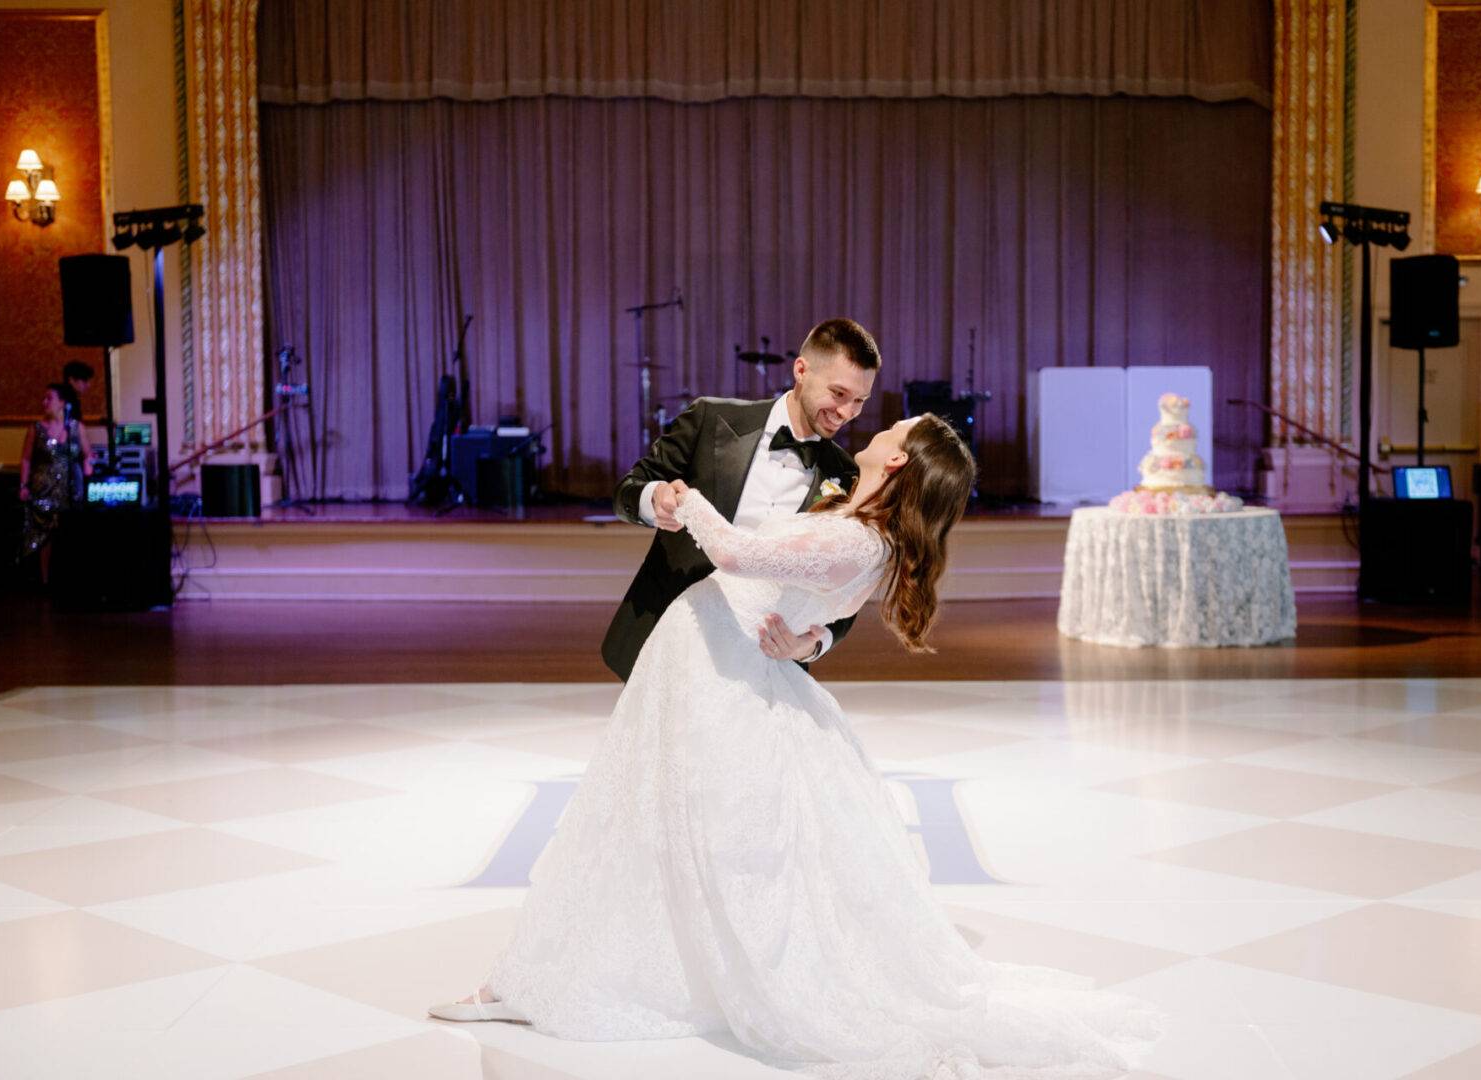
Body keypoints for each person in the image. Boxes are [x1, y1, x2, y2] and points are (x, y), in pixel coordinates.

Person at [430, 414, 1166, 1078]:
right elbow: (813, 601)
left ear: (901, 461)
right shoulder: (856, 517)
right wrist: (809, 636)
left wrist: (683, 501)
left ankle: (580, 978)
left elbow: (740, 556)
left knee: (673, 831)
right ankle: (564, 972)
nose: (880, 422)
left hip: (717, 679)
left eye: (897, 424)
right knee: (650, 824)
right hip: (704, 663)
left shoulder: (856, 535)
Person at [600, 317, 880, 681]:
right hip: (671, 637)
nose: (847, 413)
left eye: (860, 400)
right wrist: (654, 498)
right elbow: (629, 488)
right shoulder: (710, 419)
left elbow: (843, 589)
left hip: (764, 662)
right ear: (801, 370)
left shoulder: (846, 478)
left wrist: (812, 644)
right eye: (838, 394)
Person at [19, 383, 92, 583]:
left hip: (70, 489)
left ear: (62, 403)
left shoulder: (76, 428)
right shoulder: (36, 429)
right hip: (43, 489)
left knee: (69, 533)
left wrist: (88, 471)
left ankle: (69, 578)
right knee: (45, 537)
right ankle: (46, 580)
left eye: (49, 398)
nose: (44, 403)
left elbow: (87, 455)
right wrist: (23, 485)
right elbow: (26, 459)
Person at [60, 360, 94, 426]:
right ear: (71, 380)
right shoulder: (68, 400)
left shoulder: (68, 397)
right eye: (84, 380)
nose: (88, 385)